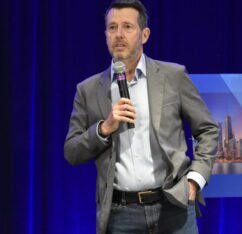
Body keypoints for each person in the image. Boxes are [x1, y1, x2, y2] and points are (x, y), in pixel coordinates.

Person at [64, 0, 219, 233]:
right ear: (105, 34)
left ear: (144, 35)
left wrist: (194, 180)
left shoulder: (173, 75)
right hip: (121, 215)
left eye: (127, 27)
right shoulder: (88, 89)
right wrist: (103, 129)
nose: (119, 35)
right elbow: (72, 151)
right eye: (112, 28)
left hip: (173, 207)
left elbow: (208, 129)